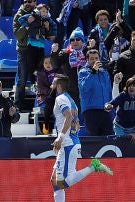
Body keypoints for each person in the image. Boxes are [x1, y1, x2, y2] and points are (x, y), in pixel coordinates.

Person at [50, 74, 113, 202]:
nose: (52, 85)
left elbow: (68, 117)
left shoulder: (60, 98)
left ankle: (93, 167)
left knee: (61, 183)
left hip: (67, 144)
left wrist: (60, 137)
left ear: (59, 85)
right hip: (71, 143)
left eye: (53, 83)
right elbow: (77, 124)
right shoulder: (72, 101)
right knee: (54, 181)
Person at [78, 49, 113, 136]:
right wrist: (93, 72)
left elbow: (108, 90)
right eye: (92, 58)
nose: (94, 61)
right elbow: (84, 88)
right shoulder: (83, 72)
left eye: (96, 58)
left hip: (105, 110)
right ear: (87, 60)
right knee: (94, 139)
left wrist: (111, 105)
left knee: (108, 138)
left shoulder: (104, 72)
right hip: (90, 111)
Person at [13, 0, 36, 110]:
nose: (28, 3)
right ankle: (17, 105)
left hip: (36, 50)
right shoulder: (18, 15)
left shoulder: (39, 13)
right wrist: (27, 24)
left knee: (37, 77)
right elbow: (17, 35)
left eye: (30, 1)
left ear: (35, 2)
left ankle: (39, 103)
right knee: (22, 78)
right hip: (23, 50)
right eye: (26, 1)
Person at [105, 76, 135, 143]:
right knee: (122, 144)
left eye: (133, 85)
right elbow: (111, 103)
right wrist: (108, 106)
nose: (131, 87)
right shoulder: (122, 95)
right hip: (119, 126)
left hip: (133, 128)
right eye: (129, 85)